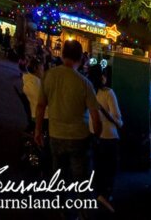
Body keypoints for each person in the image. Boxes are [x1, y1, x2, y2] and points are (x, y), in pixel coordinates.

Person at [34, 40, 102, 210]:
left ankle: (63, 210)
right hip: (79, 137)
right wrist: (96, 136)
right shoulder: (84, 83)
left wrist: (37, 130)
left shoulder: (50, 75)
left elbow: (41, 106)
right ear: (81, 58)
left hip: (55, 135)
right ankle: (83, 213)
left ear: (63, 54)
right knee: (82, 180)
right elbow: (95, 116)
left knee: (59, 176)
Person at [88, 64, 122, 209]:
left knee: (98, 165)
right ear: (102, 76)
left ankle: (99, 193)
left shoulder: (89, 91)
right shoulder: (108, 92)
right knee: (110, 167)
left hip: (94, 133)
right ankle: (106, 195)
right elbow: (117, 117)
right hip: (108, 135)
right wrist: (120, 123)